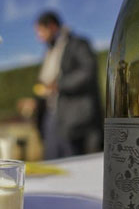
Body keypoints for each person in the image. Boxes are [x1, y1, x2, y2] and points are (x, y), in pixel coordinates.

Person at [31, 10, 102, 159]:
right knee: (51, 160)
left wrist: (59, 85)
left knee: (71, 163)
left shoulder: (77, 44)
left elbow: (87, 72)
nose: (38, 37)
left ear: (51, 26)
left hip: (73, 118)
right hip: (52, 115)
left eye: (40, 31)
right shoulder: (49, 51)